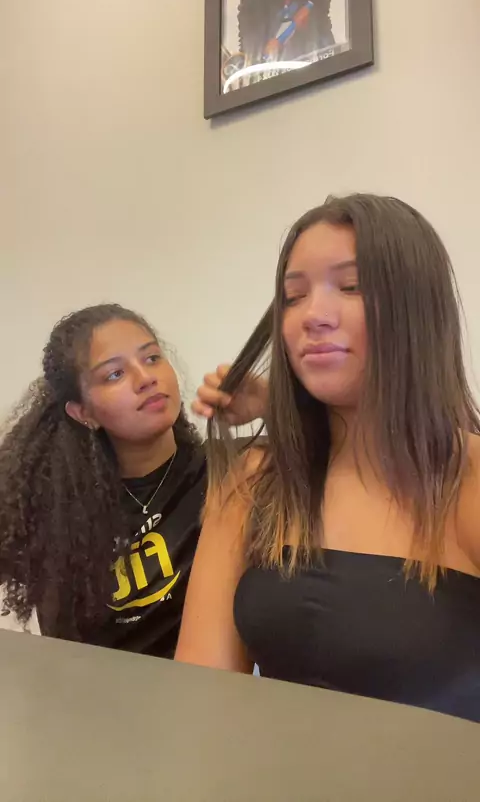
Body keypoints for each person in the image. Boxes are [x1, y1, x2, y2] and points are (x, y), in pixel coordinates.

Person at [177, 193, 480, 723]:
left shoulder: (466, 480)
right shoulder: (253, 481)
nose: (312, 316)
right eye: (293, 297)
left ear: (418, 306)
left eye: (352, 286)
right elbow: (201, 698)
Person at [0, 304, 266, 657]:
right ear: (83, 412)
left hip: (203, 686)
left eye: (152, 358)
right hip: (87, 687)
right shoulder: (56, 506)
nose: (145, 378)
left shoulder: (232, 472)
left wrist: (271, 402)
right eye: (114, 374)